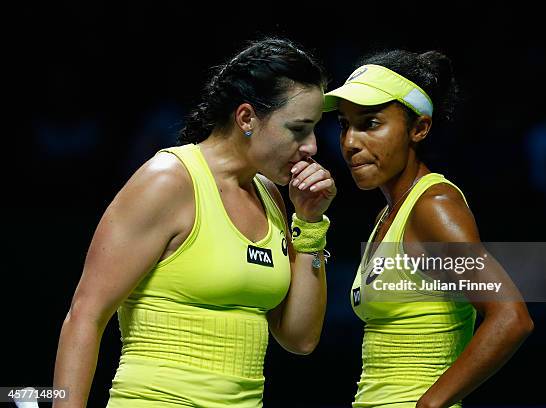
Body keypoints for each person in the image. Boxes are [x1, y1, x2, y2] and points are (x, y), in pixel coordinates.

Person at [52, 38, 336, 408]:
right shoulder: (168, 181)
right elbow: (85, 316)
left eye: (314, 129)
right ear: (247, 118)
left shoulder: (271, 196)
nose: (311, 146)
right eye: (298, 129)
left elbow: (300, 339)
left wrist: (310, 225)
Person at [323, 50, 534, 407]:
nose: (350, 142)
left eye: (370, 123)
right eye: (345, 124)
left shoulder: (433, 207)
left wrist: (430, 404)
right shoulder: (387, 216)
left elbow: (511, 317)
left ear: (419, 128)